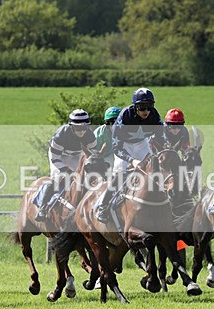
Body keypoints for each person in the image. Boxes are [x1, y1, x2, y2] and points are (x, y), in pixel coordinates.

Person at [96, 88, 162, 222]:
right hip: (124, 145)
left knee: (156, 169)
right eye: (142, 107)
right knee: (121, 173)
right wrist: (132, 160)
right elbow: (116, 147)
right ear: (135, 107)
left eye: (149, 107)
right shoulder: (125, 116)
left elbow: (162, 138)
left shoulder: (155, 116)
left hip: (142, 143)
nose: (146, 111)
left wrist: (161, 151)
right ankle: (103, 205)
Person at [35, 109, 96, 222]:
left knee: (85, 178)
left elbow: (92, 155)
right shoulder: (61, 134)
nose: (81, 131)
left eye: (84, 128)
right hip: (59, 155)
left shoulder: (90, 135)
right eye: (78, 128)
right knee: (57, 178)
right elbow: (55, 158)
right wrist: (68, 171)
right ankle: (43, 207)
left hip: (77, 155)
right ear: (72, 126)